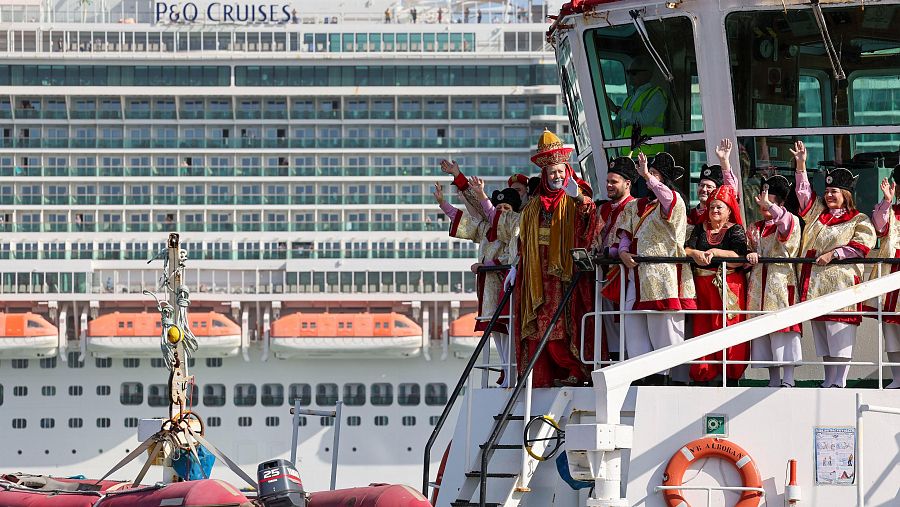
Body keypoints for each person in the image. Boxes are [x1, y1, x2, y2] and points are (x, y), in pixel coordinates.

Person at [510, 129, 600, 387]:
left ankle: (574, 369)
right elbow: (523, 239)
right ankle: (541, 374)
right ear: (545, 175)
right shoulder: (534, 205)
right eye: (553, 173)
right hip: (537, 273)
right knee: (538, 325)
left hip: (565, 273)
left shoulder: (576, 193)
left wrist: (579, 198)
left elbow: (590, 217)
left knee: (562, 324)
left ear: (567, 170)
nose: (558, 176)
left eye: (560, 171)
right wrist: (519, 265)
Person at [793, 140, 875, 388]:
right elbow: (804, 193)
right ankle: (829, 378)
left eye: (834, 192)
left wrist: (834, 254)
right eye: (827, 191)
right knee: (823, 335)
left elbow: (862, 246)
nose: (829, 195)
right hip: (816, 284)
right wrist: (801, 164)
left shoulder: (859, 219)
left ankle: (839, 380)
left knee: (840, 333)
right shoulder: (818, 214)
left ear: (846, 195)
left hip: (842, 286)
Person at [617, 152, 696, 384]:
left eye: (654, 174)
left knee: (665, 331)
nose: (649, 178)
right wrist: (622, 251)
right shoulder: (636, 206)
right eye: (648, 174)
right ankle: (641, 376)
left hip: (665, 277)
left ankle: (666, 379)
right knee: (634, 327)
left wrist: (648, 178)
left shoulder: (675, 201)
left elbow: (667, 197)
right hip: (637, 275)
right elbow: (624, 233)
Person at [434, 175, 520, 386]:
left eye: (506, 208)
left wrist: (487, 265)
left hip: (503, 283)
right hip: (487, 286)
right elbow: (464, 221)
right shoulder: (486, 229)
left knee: (507, 327)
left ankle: (512, 372)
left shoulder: (515, 225)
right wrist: (443, 203)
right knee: (495, 329)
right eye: (499, 207)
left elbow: (514, 255)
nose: (501, 212)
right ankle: (506, 369)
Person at [684, 183, 749, 383]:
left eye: (719, 207)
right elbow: (687, 249)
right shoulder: (699, 229)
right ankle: (703, 373)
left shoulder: (735, 230)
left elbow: (740, 255)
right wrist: (695, 253)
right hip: (702, 285)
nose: (714, 210)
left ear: (729, 210)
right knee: (702, 327)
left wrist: (715, 253)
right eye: (712, 207)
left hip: (728, 285)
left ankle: (730, 374)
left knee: (728, 326)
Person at [747, 176, 803, 387]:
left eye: (768, 202)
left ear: (779, 203)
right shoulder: (754, 227)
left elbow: (785, 225)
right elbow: (748, 248)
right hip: (759, 284)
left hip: (781, 282)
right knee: (763, 333)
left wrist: (771, 206)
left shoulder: (791, 220)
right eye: (761, 202)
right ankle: (772, 380)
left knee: (784, 331)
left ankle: (788, 380)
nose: (763, 206)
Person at [595, 156, 638, 361]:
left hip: (622, 274)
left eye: (614, 182)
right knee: (605, 322)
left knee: (623, 322)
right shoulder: (603, 208)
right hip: (601, 274)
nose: (609, 186)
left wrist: (611, 252)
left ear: (627, 184)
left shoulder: (634, 206)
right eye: (608, 181)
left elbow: (630, 237)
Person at [866, 168, 900, 389]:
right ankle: (898, 378)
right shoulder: (891, 210)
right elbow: (878, 227)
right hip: (891, 275)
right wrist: (886, 201)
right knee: (892, 330)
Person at [607, 55, 667, 155]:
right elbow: (617, 128)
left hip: (648, 156)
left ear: (648, 74)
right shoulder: (629, 100)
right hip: (629, 156)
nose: (629, 76)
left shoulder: (657, 95)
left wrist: (616, 110)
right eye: (628, 73)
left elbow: (645, 119)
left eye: (633, 73)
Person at [688, 139, 739, 232]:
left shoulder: (721, 213)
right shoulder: (689, 215)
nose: (704, 189)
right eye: (701, 185)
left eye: (709, 187)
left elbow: (731, 190)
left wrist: (724, 161)